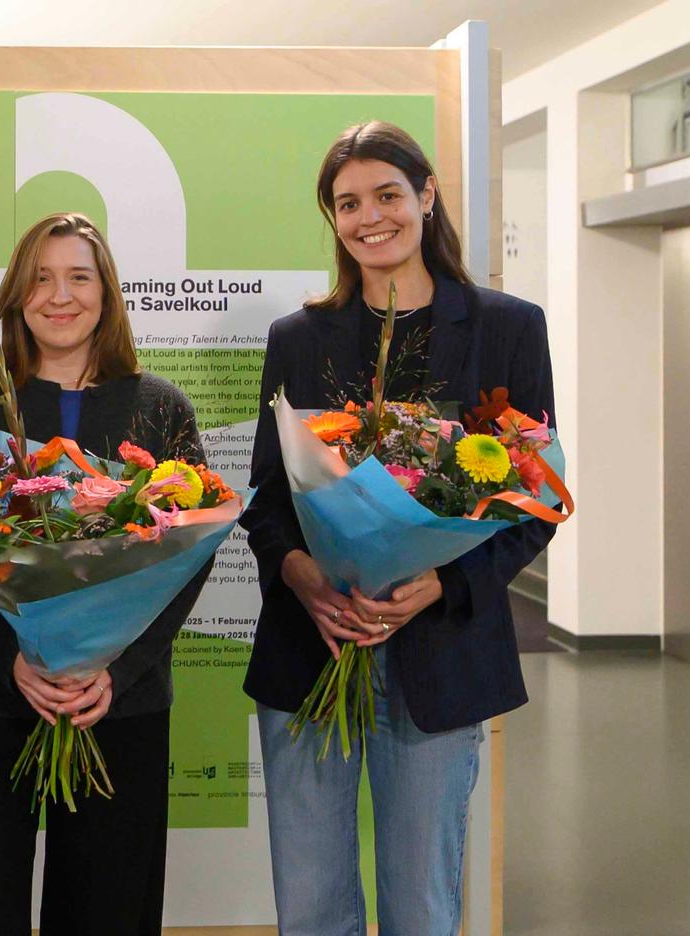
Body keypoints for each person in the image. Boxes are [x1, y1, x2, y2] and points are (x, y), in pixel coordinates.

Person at [240, 121, 556, 935]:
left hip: (442, 650)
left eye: (386, 194)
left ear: (426, 196)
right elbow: (268, 498)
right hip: (314, 652)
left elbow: (536, 499)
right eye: (347, 203)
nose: (368, 217)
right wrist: (304, 578)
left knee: (421, 905)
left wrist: (441, 581)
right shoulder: (299, 338)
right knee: (310, 907)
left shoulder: (506, 327)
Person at [0, 212, 211, 935]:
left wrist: (120, 668)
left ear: (106, 293)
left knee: (108, 910)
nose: (59, 295)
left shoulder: (159, 408)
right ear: (17, 294)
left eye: (78, 276)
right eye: (40, 278)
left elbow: (189, 559)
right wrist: (10, 659)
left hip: (114, 705)